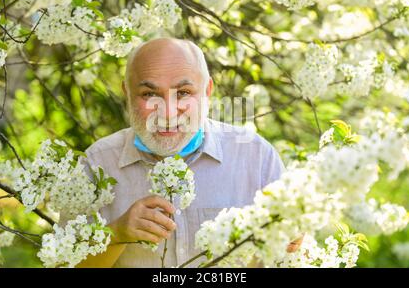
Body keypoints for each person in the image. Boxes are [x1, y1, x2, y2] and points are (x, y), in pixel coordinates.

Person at [74, 37, 295, 268]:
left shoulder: (256, 157)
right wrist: (116, 234)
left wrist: (293, 241)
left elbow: (296, 257)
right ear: (126, 92)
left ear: (207, 90)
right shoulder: (97, 163)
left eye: (183, 92)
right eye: (149, 94)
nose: (168, 113)